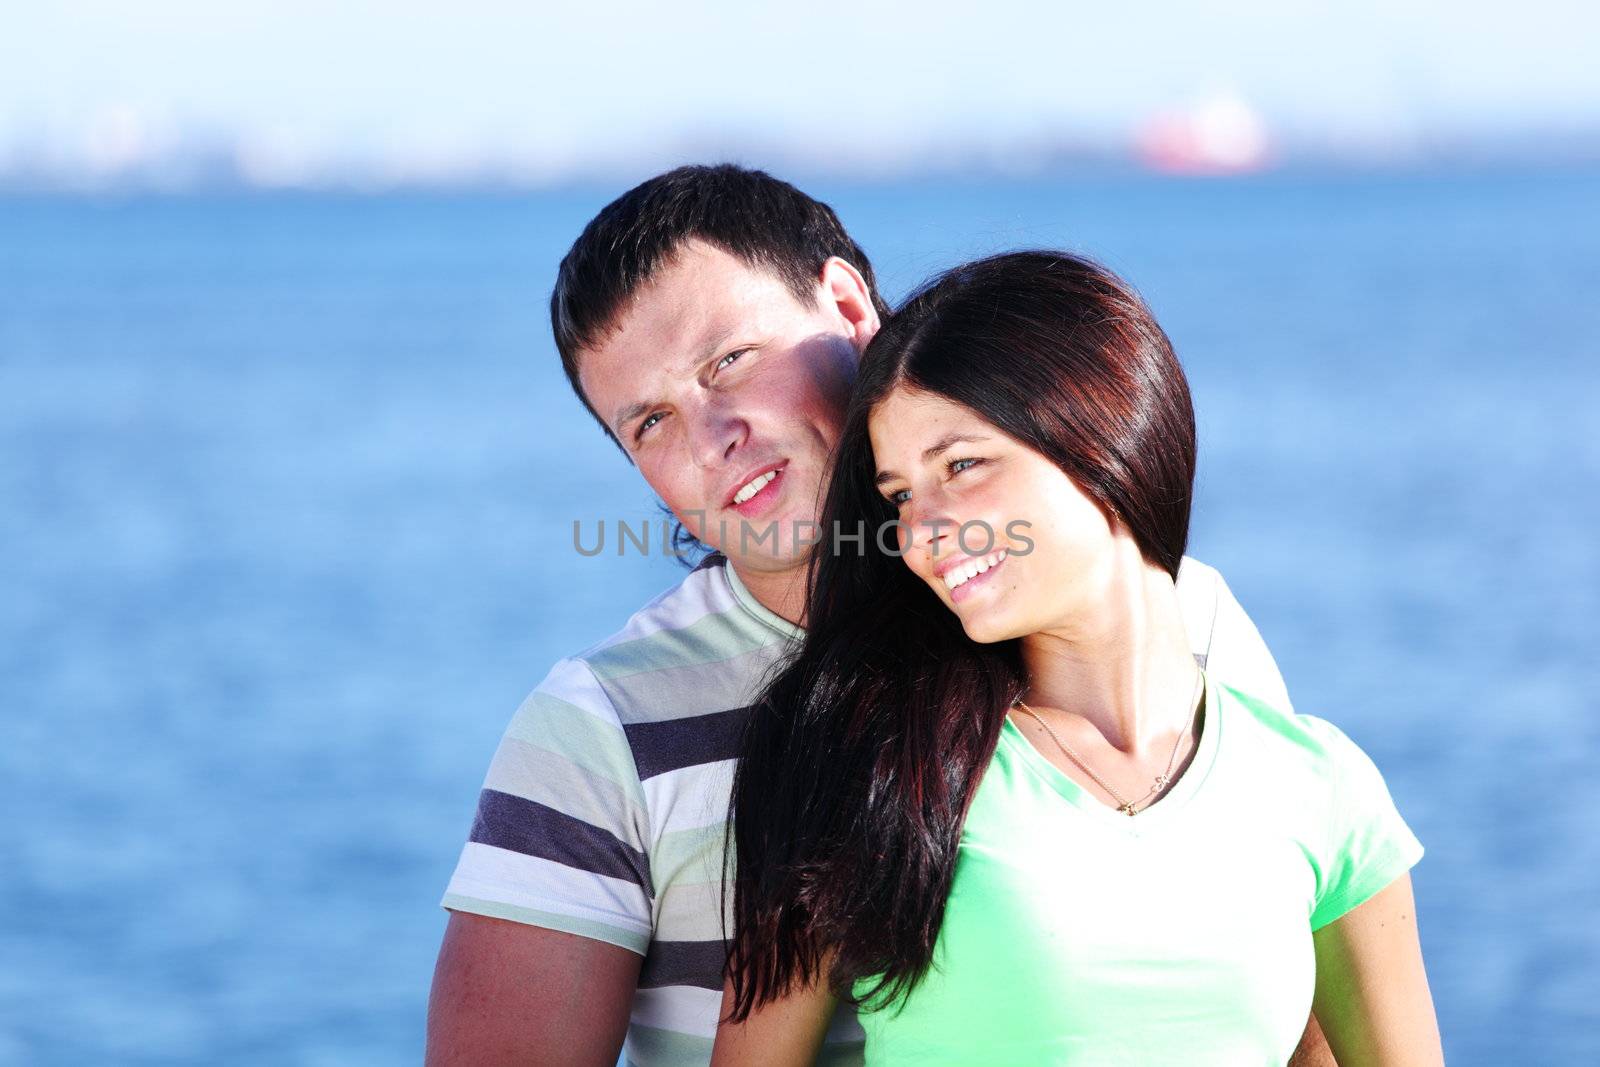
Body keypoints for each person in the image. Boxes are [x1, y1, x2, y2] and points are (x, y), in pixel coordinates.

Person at [425, 166, 1330, 1066]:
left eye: (729, 362)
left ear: (850, 306)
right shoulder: (600, 727)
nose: (712, 439)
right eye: (651, 423)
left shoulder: (1177, 617)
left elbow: (1290, 996)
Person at [713, 251, 1442, 1066]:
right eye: (900, 496)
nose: (920, 532)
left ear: (1104, 432)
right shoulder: (873, 760)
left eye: (961, 465)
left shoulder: (1321, 788)